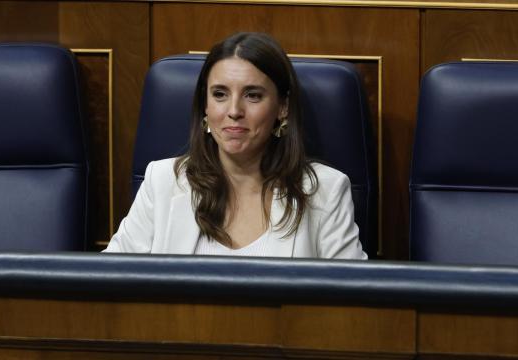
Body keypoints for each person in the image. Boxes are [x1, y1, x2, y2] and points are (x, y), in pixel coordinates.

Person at [105, 32, 367, 259]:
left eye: (253, 95)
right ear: (205, 107)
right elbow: (109, 281)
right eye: (219, 94)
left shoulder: (326, 191)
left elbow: (354, 302)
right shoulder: (161, 182)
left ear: (283, 107)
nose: (234, 111)